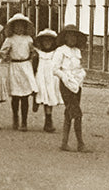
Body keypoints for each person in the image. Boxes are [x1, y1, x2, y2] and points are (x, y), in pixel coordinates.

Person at [51, 23, 87, 152]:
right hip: (66, 84)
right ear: (65, 38)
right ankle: (80, 143)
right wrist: (65, 77)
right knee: (77, 113)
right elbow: (54, 69)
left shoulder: (77, 51)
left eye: (75, 36)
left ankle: (64, 142)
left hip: (77, 84)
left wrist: (80, 74)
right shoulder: (60, 51)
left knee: (69, 112)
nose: (72, 39)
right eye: (69, 36)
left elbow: (78, 66)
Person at [0, 13, 37, 130]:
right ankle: (15, 118)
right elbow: (3, 52)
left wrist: (34, 56)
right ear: (13, 27)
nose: (19, 28)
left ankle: (24, 121)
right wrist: (2, 57)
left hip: (25, 66)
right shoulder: (9, 39)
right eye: (17, 26)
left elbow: (33, 51)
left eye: (22, 26)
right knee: (15, 95)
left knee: (25, 96)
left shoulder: (28, 39)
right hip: (14, 67)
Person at [33, 28, 60, 133]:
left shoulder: (55, 53)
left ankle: (48, 120)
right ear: (41, 42)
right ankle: (35, 100)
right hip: (40, 77)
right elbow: (34, 67)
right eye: (45, 41)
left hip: (51, 78)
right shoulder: (38, 53)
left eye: (50, 41)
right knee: (41, 93)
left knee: (49, 98)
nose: (47, 43)